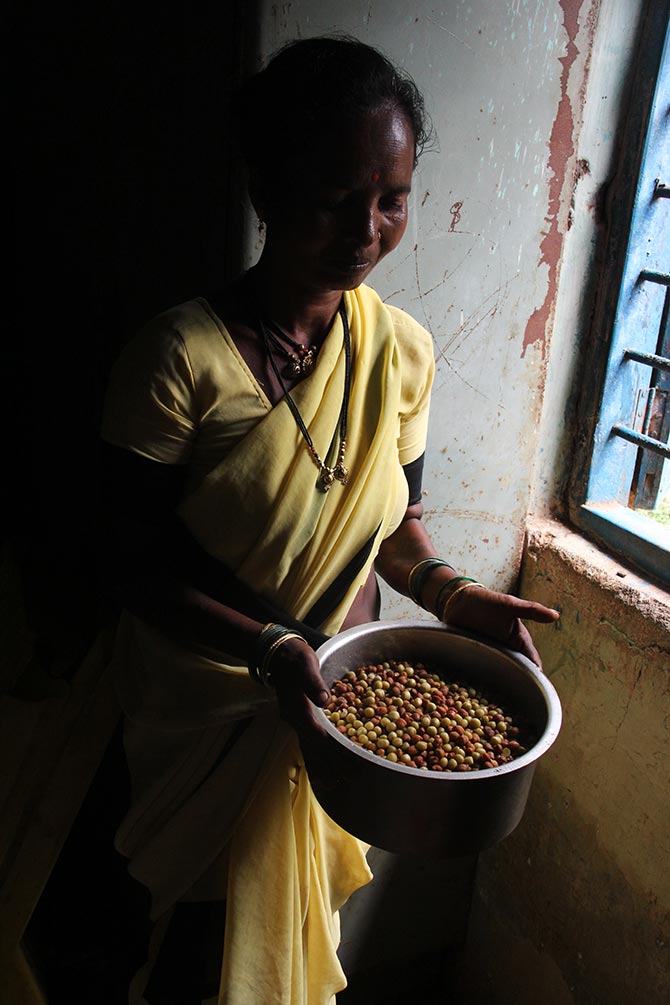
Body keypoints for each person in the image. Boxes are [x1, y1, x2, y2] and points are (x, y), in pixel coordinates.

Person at [99, 35, 559, 1005]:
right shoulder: (177, 359)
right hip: (205, 712)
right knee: (191, 946)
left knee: (288, 925)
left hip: (331, 718)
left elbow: (389, 520)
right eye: (334, 194)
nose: (367, 227)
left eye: (391, 197)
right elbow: (126, 563)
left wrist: (449, 594)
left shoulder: (397, 352)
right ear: (268, 189)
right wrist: (269, 650)